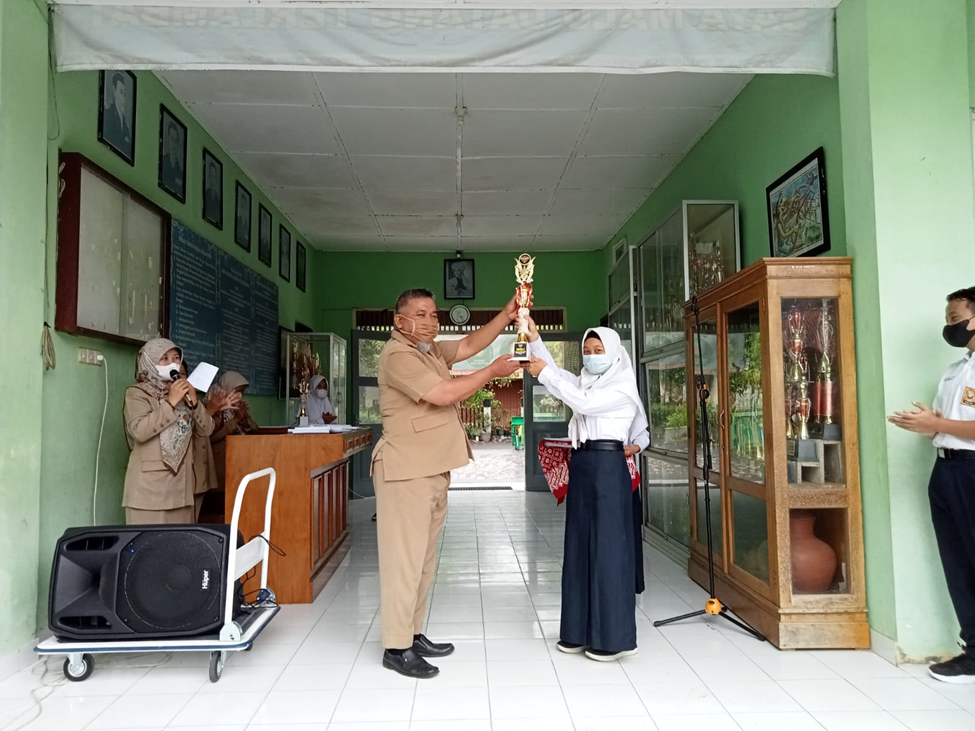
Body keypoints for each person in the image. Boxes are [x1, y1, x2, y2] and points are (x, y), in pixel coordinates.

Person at [374, 288, 522, 679]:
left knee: (423, 561)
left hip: (431, 469)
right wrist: (491, 372)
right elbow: (441, 394)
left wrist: (507, 315)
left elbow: (470, 344)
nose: (431, 320)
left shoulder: (429, 351)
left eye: (434, 314)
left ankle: (412, 633)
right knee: (403, 562)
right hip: (406, 471)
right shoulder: (398, 356)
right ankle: (396, 647)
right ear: (399, 321)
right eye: (420, 314)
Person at [526, 322, 649, 661]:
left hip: (609, 465)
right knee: (578, 545)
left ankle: (613, 638)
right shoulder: (586, 382)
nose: (591, 356)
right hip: (582, 463)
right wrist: (534, 338)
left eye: (598, 351)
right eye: (587, 351)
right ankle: (577, 631)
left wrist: (544, 374)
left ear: (614, 353)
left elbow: (583, 402)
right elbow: (559, 377)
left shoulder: (621, 387)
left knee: (608, 549)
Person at [888, 286, 975, 683]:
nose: (949, 326)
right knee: (957, 562)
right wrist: (927, 426)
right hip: (946, 470)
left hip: (971, 471)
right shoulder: (956, 369)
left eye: (955, 319)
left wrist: (937, 423)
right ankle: (972, 650)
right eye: (947, 319)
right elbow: (949, 427)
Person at [122, 339, 215, 524]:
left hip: (182, 490)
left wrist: (195, 403)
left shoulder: (183, 392)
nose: (172, 363)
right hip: (149, 492)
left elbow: (207, 429)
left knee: (180, 542)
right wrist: (170, 402)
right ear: (150, 361)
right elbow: (139, 431)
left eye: (176, 358)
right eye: (164, 358)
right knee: (150, 542)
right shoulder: (137, 393)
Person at [208, 371, 256, 493]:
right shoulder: (210, 405)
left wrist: (243, 420)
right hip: (220, 465)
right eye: (237, 391)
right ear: (227, 387)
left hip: (240, 461)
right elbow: (211, 437)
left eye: (242, 392)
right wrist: (235, 420)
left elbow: (255, 429)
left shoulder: (236, 406)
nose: (239, 395)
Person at [102, 71, 131, 153]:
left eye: (125, 94)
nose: (123, 98)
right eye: (121, 92)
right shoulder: (108, 115)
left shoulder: (126, 126)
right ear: (114, 90)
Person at [161, 119, 184, 197]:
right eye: (172, 139)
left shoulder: (180, 173)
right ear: (168, 140)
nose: (174, 144)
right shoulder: (162, 162)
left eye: (176, 141)